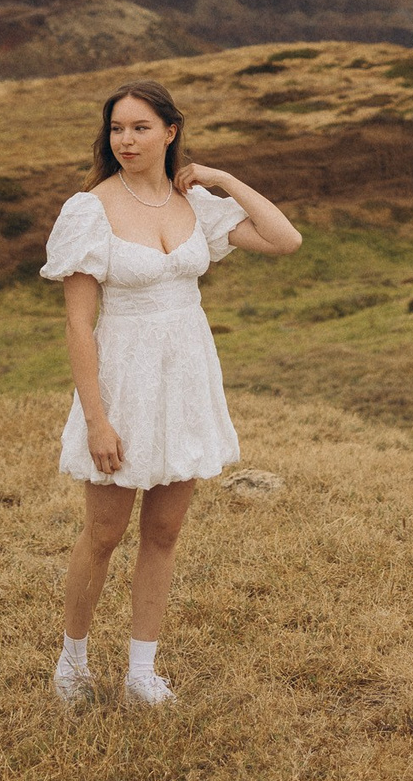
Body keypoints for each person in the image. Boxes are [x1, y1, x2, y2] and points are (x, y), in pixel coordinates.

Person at [41, 78, 301, 708]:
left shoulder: (196, 204)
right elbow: (78, 323)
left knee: (164, 533)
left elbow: (285, 239)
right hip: (122, 384)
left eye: (140, 128)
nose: (125, 140)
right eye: (116, 129)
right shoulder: (89, 210)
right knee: (104, 534)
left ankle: (142, 672)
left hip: (185, 382)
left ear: (170, 131)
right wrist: (97, 420)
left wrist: (223, 179)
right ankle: (72, 664)